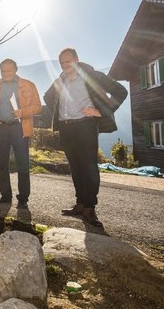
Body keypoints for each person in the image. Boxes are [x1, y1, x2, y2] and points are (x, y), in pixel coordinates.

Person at [44, 48, 127, 227]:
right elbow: (48, 96)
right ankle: (80, 204)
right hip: (66, 128)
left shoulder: (92, 76)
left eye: (68, 61)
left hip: (85, 126)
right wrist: (60, 113)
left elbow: (120, 91)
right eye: (62, 63)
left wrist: (103, 111)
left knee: (89, 167)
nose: (65, 65)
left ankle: (90, 208)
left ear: (77, 60)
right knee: (75, 167)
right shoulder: (61, 79)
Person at [0, 59, 41, 209]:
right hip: (0, 128)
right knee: (1, 164)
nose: (6, 73)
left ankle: (23, 198)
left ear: (16, 69)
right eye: (3, 71)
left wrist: (23, 112)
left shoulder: (28, 85)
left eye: (9, 70)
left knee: (22, 164)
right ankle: (5, 195)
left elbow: (37, 107)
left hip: (20, 128)